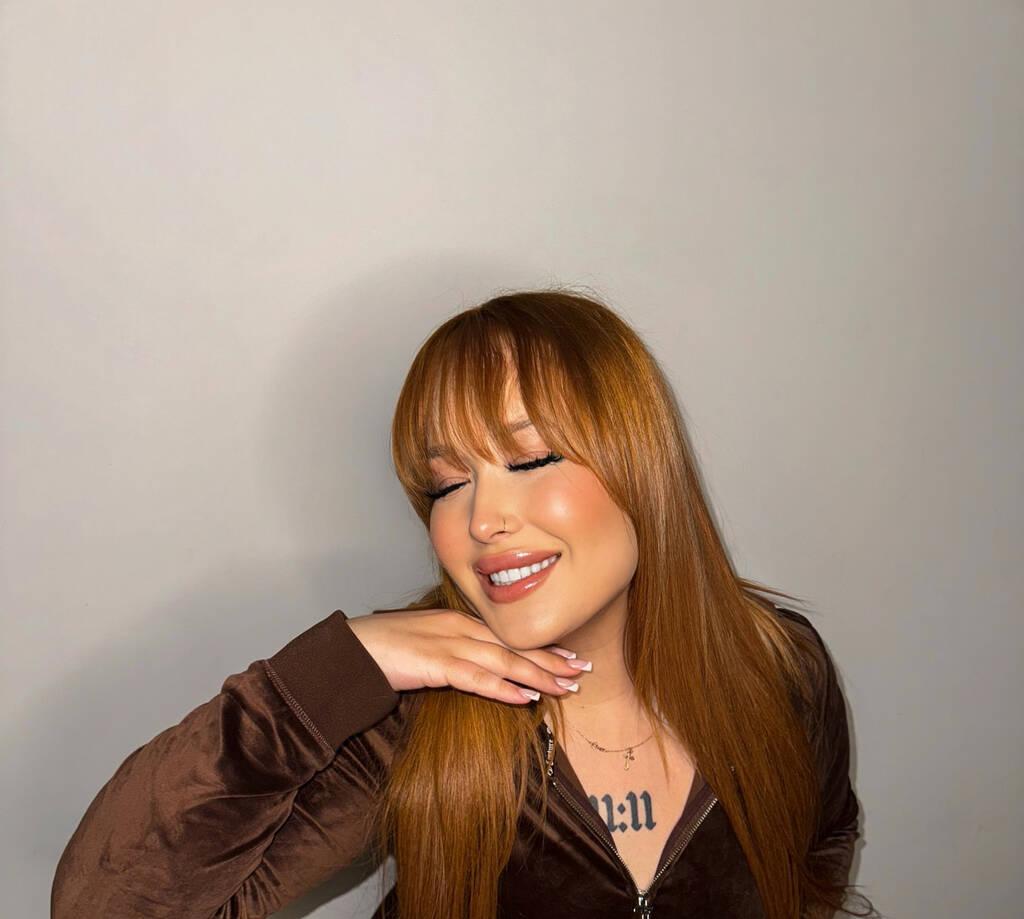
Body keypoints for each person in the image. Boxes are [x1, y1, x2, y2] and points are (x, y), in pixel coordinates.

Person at [52, 288, 878, 919]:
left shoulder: (781, 666)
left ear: (642, 466)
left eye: (530, 459)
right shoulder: (415, 719)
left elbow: (818, 858)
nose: (482, 519)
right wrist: (327, 674)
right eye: (447, 483)